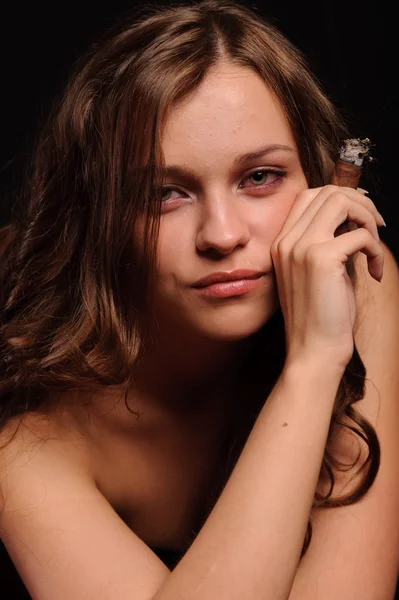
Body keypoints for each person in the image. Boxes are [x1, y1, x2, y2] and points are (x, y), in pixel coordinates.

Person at [0, 1, 399, 598]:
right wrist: (313, 363)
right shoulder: (27, 432)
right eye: (164, 194)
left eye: (259, 177)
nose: (221, 234)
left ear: (322, 181)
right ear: (99, 220)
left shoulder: (356, 277)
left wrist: (319, 355)